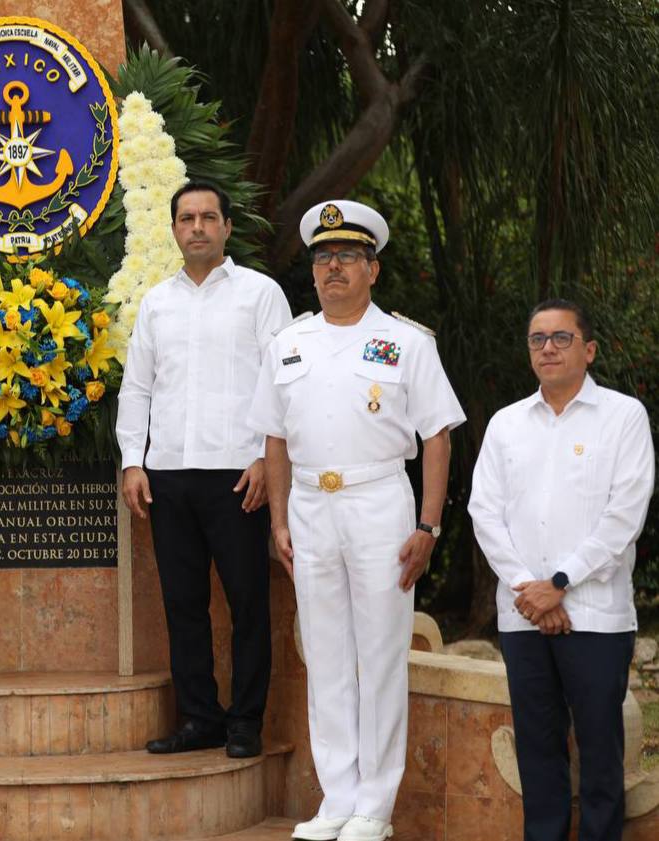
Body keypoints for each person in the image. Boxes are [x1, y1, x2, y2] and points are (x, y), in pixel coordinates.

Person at [248, 200, 465, 841]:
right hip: (311, 507)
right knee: (326, 655)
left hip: (379, 504)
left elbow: (438, 437)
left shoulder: (406, 342)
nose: (332, 267)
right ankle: (337, 796)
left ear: (372, 268)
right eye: (322, 258)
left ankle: (377, 802)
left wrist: (428, 527)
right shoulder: (288, 343)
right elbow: (275, 440)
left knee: (380, 653)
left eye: (346, 257)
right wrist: (280, 520)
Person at [116, 180, 292, 758]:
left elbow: (283, 383)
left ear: (226, 227)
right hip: (168, 475)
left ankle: (245, 721)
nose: (197, 227)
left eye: (208, 217)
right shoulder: (157, 302)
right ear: (173, 229)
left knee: (247, 604)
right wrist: (132, 462)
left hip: (238, 476)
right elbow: (137, 387)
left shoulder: (260, 295)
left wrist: (269, 462)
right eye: (187, 218)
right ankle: (199, 718)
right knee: (183, 604)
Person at [468, 299, 653, 841]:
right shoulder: (507, 424)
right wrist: (532, 590)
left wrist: (560, 584)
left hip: (595, 616)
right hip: (523, 613)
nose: (547, 347)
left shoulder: (623, 416)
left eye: (561, 338)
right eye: (537, 339)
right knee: (538, 748)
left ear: (588, 349)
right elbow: (484, 511)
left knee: (600, 751)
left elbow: (624, 516)